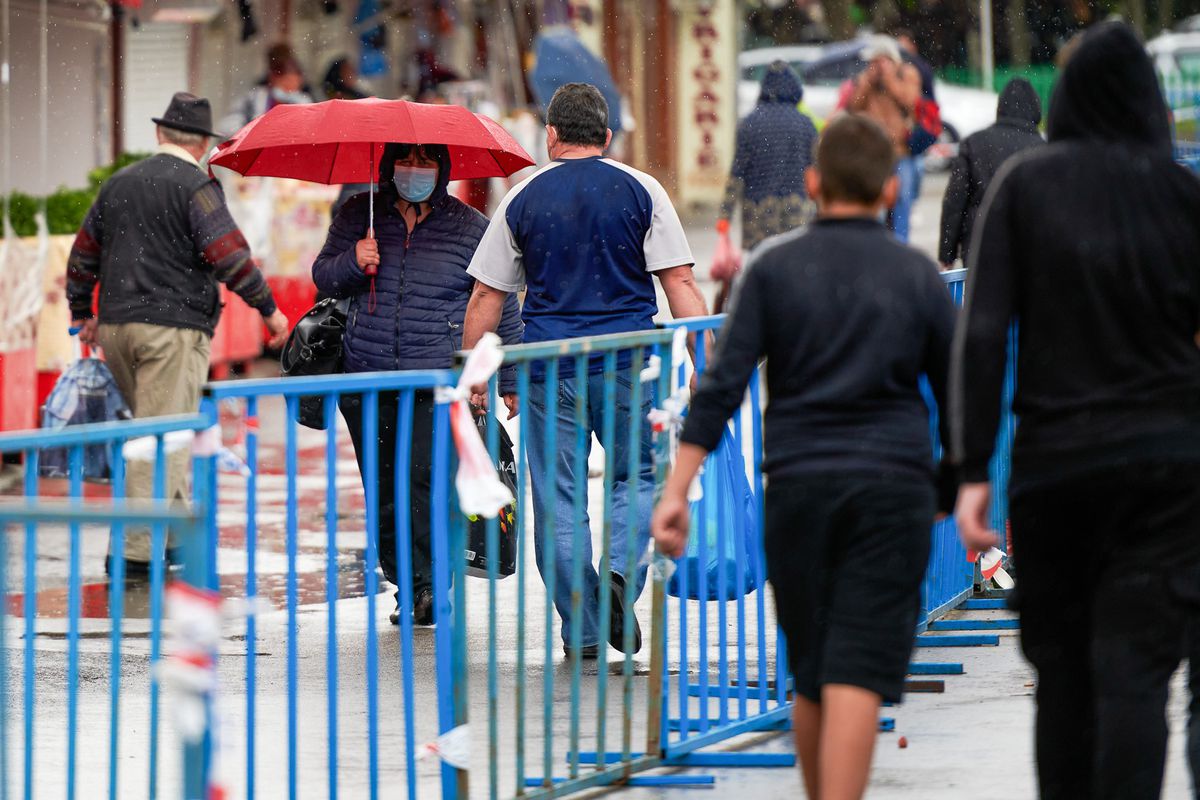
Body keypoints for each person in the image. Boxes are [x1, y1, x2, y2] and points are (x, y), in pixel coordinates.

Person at [653, 114, 956, 800]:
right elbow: (957, 392)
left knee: (815, 667)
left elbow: (723, 384)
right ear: (888, 193)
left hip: (799, 486)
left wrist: (678, 489)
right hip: (891, 487)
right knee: (856, 666)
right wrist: (960, 483)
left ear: (814, 183)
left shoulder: (774, 269)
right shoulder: (916, 277)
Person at [951, 22, 1200, 800]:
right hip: (1166, 473)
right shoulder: (1183, 194)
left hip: (1056, 468)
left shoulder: (1026, 190)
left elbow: (984, 332)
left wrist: (969, 471)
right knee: (1136, 673)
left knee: (1063, 678)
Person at [462, 83, 708, 659]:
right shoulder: (643, 189)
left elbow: (484, 300)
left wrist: (474, 376)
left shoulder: (521, 198)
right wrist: (704, 361)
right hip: (632, 365)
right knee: (638, 479)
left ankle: (586, 628)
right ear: (606, 136)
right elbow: (681, 285)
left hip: (550, 368)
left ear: (550, 137)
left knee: (559, 500)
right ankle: (620, 577)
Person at [66, 92, 289, 576]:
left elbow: (83, 254)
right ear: (204, 144)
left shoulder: (118, 184)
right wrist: (269, 310)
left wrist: (83, 311)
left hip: (117, 328)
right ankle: (133, 553)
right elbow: (229, 255)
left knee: (167, 427)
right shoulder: (196, 186)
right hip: (172, 330)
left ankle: (174, 541)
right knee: (161, 438)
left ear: (160, 134)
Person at [311, 143, 523, 626]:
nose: (416, 169)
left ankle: (429, 583)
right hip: (367, 376)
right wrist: (352, 260)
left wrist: (506, 377)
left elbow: (500, 300)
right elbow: (323, 276)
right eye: (406, 158)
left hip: (435, 381)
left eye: (427, 160)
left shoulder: (470, 227)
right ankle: (407, 584)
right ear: (388, 166)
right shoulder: (357, 214)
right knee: (383, 487)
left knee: (425, 480)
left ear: (443, 168)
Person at [715, 60, 818, 311]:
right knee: (796, 267)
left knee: (764, 268)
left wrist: (724, 219)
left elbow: (737, 174)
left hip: (759, 214)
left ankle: (766, 313)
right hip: (798, 211)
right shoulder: (805, 124)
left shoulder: (749, 124)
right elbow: (815, 172)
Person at [938, 78, 1044, 269]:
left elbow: (955, 201)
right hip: (1029, 246)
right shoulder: (1043, 149)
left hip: (980, 243)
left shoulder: (974, 143)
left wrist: (947, 253)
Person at [840, 36, 921, 242]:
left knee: (902, 201)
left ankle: (900, 245)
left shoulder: (906, 73)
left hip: (901, 151)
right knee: (876, 202)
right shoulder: (865, 79)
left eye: (879, 61)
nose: (875, 65)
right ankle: (877, 243)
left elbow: (911, 102)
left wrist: (890, 78)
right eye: (872, 61)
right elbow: (853, 107)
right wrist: (868, 80)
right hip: (874, 151)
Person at [221, 43, 313, 132]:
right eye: (285, 80)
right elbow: (229, 126)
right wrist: (247, 132)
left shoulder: (305, 101)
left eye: (294, 81)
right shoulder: (254, 98)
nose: (290, 85)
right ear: (273, 78)